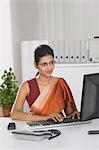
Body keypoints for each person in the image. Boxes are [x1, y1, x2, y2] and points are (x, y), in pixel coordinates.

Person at [11, 44, 80, 122]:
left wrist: (75, 114)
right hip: (38, 127)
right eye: (44, 64)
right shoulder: (27, 86)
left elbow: (70, 114)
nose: (49, 68)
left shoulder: (60, 83)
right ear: (36, 65)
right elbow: (15, 114)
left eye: (51, 63)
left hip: (60, 126)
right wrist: (45, 118)